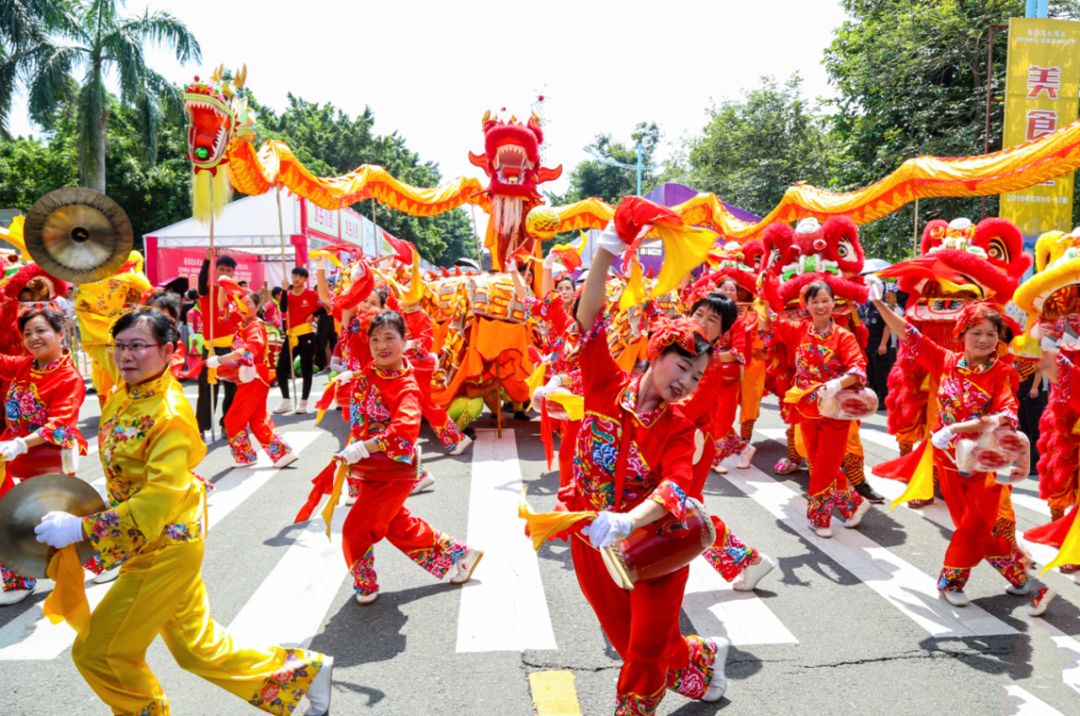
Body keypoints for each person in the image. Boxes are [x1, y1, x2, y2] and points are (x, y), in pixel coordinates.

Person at [32, 309, 334, 715]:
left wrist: (83, 529)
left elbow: (156, 499)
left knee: (98, 653)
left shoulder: (169, 414)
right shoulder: (125, 393)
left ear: (169, 351)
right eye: (120, 346)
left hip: (163, 549)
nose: (126, 355)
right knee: (197, 648)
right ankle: (304, 673)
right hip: (154, 540)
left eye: (138, 346)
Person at [559, 220, 729, 714]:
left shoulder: (678, 426)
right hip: (591, 535)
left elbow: (677, 484)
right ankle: (699, 661)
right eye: (682, 368)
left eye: (697, 378)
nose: (688, 383)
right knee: (629, 636)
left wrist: (631, 521)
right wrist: (605, 255)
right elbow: (587, 320)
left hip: (656, 541)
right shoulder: (603, 385)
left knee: (642, 653)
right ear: (657, 354)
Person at [868, 278, 1033, 606]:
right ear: (961, 336)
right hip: (946, 463)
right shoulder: (944, 361)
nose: (985, 340)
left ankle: (951, 581)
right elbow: (908, 334)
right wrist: (880, 305)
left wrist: (960, 428)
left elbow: (1007, 414)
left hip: (985, 464)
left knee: (974, 525)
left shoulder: (1000, 373)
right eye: (977, 333)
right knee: (970, 528)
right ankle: (1018, 573)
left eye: (991, 334)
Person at [326, 308, 483, 604]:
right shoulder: (370, 373)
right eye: (375, 339)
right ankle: (461, 555)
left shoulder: (406, 386)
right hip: (366, 470)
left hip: (390, 471)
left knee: (354, 529)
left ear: (404, 340)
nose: (381, 346)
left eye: (389, 338)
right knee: (397, 525)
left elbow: (403, 433)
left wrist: (362, 447)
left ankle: (366, 583)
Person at [681, 291, 776, 591]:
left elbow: (686, 409)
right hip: (673, 444)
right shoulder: (682, 351)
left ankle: (751, 560)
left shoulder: (708, 362)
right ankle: (750, 561)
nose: (703, 323)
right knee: (685, 514)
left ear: (722, 331)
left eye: (713, 320)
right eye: (699, 315)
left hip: (689, 447)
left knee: (685, 513)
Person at [0, 307, 93, 606]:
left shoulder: (69, 377)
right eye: (27, 333)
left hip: (49, 455)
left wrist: (21, 444)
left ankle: (102, 558)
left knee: (51, 522)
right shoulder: (25, 366)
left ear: (60, 334)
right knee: (7, 514)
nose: (33, 338)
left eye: (41, 331)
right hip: (13, 449)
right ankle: (19, 575)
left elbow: (60, 424)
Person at [770, 281, 873, 537]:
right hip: (805, 407)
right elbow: (770, 319)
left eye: (825, 300)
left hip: (834, 409)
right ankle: (854, 504)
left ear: (833, 303)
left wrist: (837, 382)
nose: (820, 306)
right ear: (806, 305)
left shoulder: (843, 337)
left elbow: (858, 368)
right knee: (817, 462)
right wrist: (765, 284)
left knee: (826, 464)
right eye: (814, 301)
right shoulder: (798, 330)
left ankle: (819, 518)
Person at [209, 289, 298, 468]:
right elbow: (223, 306)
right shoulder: (244, 322)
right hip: (252, 376)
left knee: (233, 418)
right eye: (241, 303)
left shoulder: (255, 326)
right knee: (257, 419)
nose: (243, 306)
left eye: (248, 303)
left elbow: (249, 351)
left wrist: (220, 359)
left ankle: (245, 456)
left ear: (257, 307)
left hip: (253, 376)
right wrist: (221, 285)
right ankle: (282, 454)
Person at [196, 250, 239, 435]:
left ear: (233, 273)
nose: (224, 272)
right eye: (221, 268)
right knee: (207, 388)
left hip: (230, 348)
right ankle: (201, 426)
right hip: (211, 347)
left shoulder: (237, 294)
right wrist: (207, 261)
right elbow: (201, 282)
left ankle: (226, 423)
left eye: (228, 270)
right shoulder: (208, 291)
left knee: (232, 388)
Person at [276, 267, 326, 414]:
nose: (296, 278)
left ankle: (303, 401)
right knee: (281, 368)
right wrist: (284, 291)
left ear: (305, 279)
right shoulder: (287, 294)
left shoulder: (311, 295)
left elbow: (323, 309)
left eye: (300, 276)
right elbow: (283, 308)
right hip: (291, 335)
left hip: (306, 334)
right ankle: (286, 401)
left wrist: (314, 314)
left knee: (306, 369)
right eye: (294, 275)